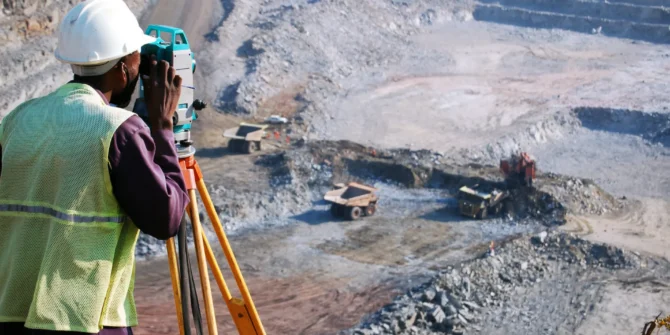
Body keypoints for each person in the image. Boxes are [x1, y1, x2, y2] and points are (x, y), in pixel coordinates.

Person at [0, 0, 190, 334]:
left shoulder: (18, 118)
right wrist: (161, 128)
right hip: (85, 321)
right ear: (123, 69)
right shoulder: (117, 130)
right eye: (136, 57)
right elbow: (167, 218)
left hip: (12, 313)